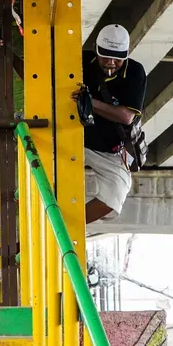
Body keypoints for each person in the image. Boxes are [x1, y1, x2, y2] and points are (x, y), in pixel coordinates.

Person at [70, 24, 146, 224]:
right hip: (72, 137)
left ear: (126, 55)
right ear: (96, 49)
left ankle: (66, 226)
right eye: (105, 56)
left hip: (109, 150)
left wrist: (89, 102)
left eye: (117, 58)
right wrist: (4, 51)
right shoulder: (81, 60)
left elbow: (126, 117)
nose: (111, 63)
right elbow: (38, 71)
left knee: (116, 195)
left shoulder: (135, 72)